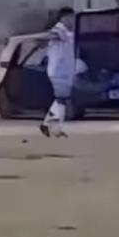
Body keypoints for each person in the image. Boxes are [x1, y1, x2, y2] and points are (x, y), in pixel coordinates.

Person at [41, 7, 75, 138]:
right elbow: (51, 36)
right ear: (64, 18)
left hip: (65, 70)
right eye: (71, 17)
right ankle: (53, 128)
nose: (73, 20)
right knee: (61, 99)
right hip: (57, 70)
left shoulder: (68, 31)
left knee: (62, 100)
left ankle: (50, 126)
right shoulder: (59, 30)